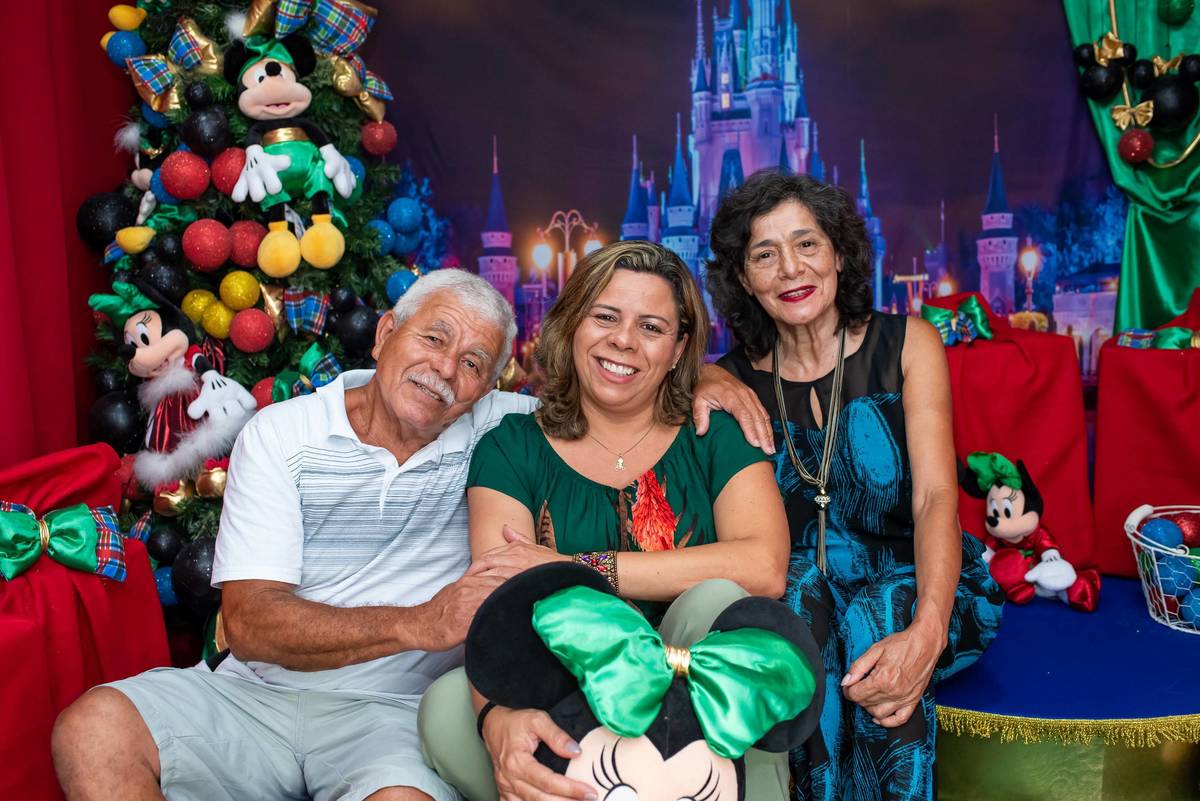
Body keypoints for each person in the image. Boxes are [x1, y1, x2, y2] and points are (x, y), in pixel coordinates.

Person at [51, 268, 769, 801]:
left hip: (391, 717)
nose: (445, 371)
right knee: (92, 727)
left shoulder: (505, 430)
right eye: (434, 337)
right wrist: (421, 622)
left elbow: (618, 387)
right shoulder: (283, 433)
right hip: (253, 696)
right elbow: (250, 623)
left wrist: (707, 378)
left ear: (491, 385)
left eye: (474, 364)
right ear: (388, 330)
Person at [419, 241, 799, 801]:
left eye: (651, 327)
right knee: (449, 706)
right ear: (573, 324)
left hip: (702, 710)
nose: (623, 340)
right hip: (570, 700)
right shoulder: (512, 447)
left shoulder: (714, 434)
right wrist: (497, 717)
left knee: (716, 601)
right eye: (604, 317)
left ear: (678, 349)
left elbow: (763, 567)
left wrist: (572, 566)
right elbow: (500, 600)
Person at [705, 171, 1004, 801]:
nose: (791, 269)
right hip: (804, 595)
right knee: (795, 614)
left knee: (878, 618)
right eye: (764, 254)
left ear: (839, 253)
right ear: (743, 278)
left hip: (916, 583)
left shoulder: (909, 345)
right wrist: (697, 377)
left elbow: (936, 499)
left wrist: (929, 629)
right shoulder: (730, 383)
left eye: (806, 244)